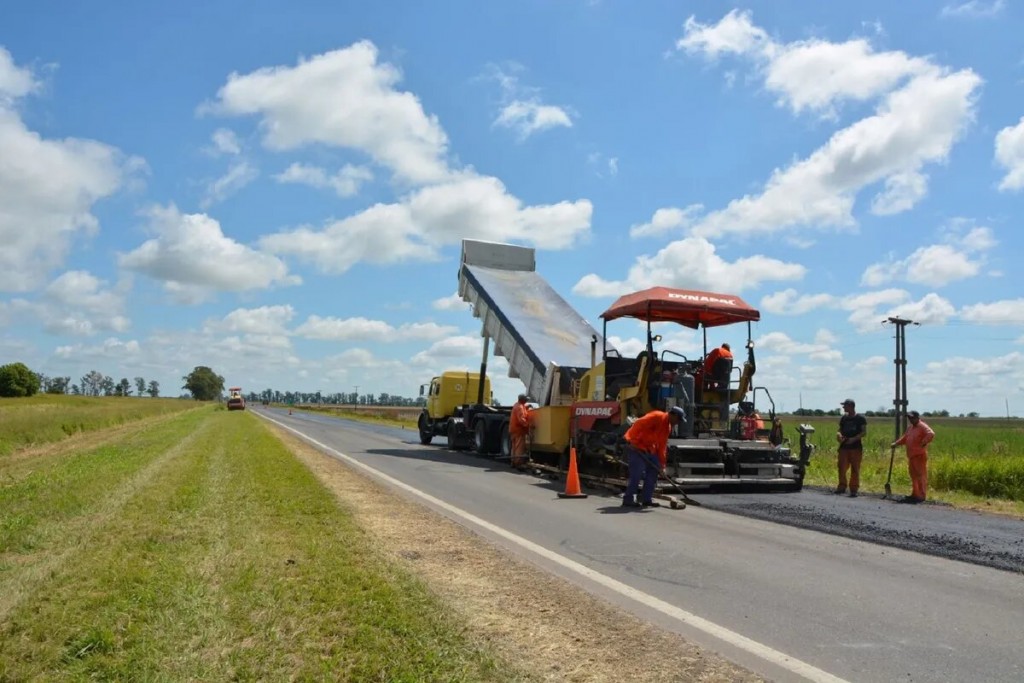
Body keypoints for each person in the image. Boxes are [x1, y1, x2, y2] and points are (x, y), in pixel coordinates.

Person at [621, 406, 685, 508]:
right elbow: (638, 424)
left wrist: (662, 465)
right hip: (637, 447)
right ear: (673, 415)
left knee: (654, 472)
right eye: (678, 419)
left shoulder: (667, 427)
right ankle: (628, 499)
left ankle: (646, 499)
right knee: (636, 474)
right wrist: (632, 440)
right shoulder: (657, 416)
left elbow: (662, 446)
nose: (678, 422)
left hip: (650, 450)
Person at [891, 410, 935, 504]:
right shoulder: (910, 428)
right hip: (911, 456)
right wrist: (896, 443)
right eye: (909, 417)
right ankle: (915, 494)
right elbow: (905, 438)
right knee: (913, 476)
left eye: (912, 417)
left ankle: (921, 496)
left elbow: (931, 434)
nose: (910, 419)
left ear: (917, 417)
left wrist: (924, 442)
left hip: (919, 456)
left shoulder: (922, 426)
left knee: (920, 475)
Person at [835, 398, 867, 497]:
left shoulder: (860, 418)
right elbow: (839, 429)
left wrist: (854, 439)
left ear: (851, 406)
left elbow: (864, 432)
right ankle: (842, 486)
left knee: (855, 468)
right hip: (844, 447)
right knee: (841, 467)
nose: (843, 407)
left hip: (856, 448)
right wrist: (839, 435)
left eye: (845, 405)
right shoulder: (844, 418)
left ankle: (854, 488)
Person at [509, 393, 533, 469]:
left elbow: (521, 410)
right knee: (519, 447)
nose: (526, 401)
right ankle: (518, 463)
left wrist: (526, 407)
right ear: (523, 400)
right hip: (518, 430)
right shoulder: (520, 407)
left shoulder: (517, 405)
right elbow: (521, 419)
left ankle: (513, 461)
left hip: (513, 429)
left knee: (514, 447)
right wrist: (528, 425)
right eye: (526, 399)